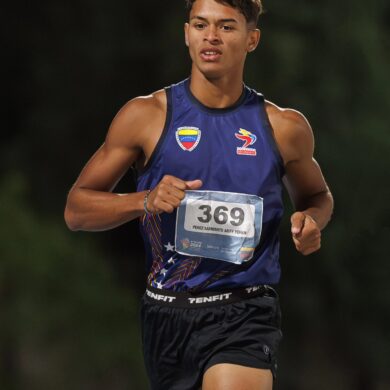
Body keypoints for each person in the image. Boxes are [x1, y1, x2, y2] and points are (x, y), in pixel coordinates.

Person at [64, 0, 334, 389]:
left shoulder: (284, 126)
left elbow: (318, 195)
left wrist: (311, 221)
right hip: (165, 316)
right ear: (186, 34)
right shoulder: (146, 116)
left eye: (226, 27)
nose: (211, 37)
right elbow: (77, 209)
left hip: (244, 313)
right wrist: (143, 200)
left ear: (252, 39)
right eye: (200, 24)